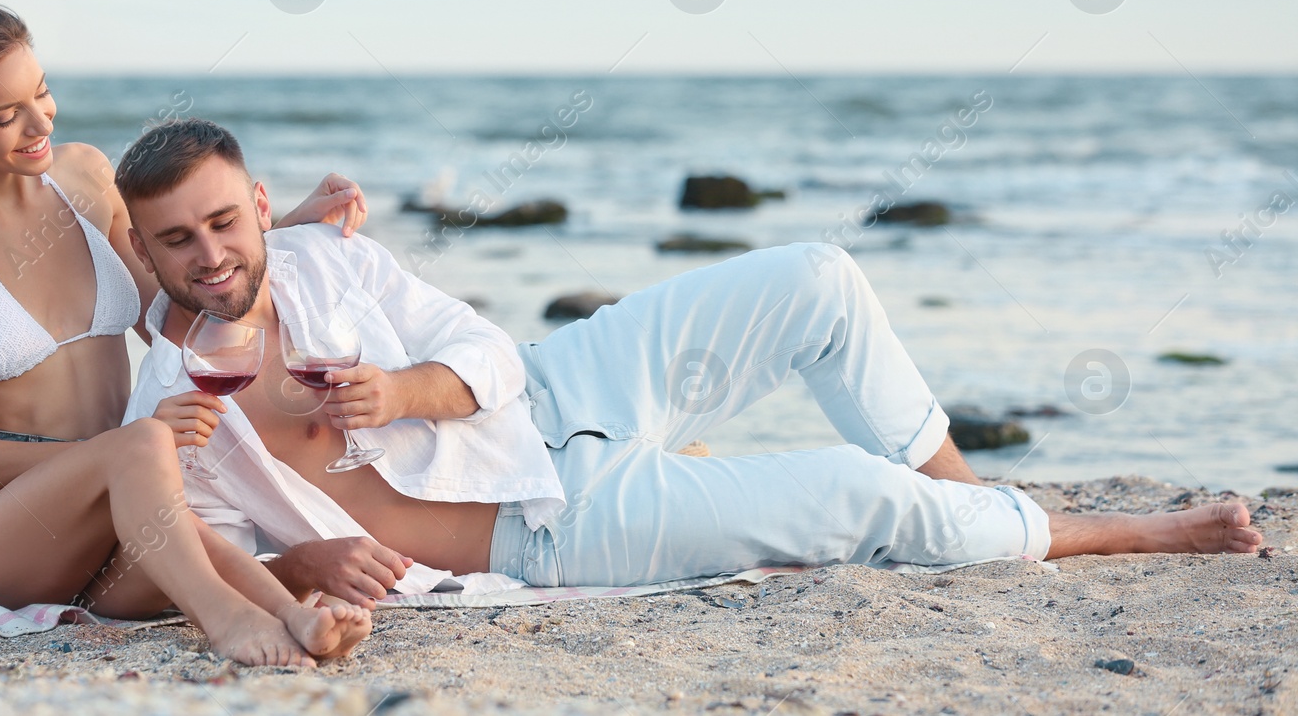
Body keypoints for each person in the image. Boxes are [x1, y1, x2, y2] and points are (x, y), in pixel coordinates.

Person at [119, 118, 1265, 606]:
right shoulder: (169, 399)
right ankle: (1099, 529)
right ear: (145, 245)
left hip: (565, 381)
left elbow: (482, 352)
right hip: (554, 516)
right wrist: (310, 559)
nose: (210, 254)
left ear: (258, 204)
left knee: (817, 273)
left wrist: (402, 389)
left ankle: (970, 505)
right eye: (176, 237)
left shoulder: (327, 260)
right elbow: (177, 548)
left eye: (224, 220)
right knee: (851, 492)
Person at [0, 3, 374, 666]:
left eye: (42, 93)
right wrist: (121, 452)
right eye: (7, 116)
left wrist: (274, 232)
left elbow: (176, 316)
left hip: (112, 508)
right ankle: (231, 620)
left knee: (175, 516)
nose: (41, 123)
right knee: (150, 449)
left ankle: (295, 610)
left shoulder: (86, 178)